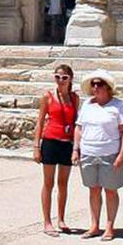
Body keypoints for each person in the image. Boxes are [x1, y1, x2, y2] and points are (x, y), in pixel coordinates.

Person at [74, 73, 123, 240]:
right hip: (89, 152)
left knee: (110, 191)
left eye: (99, 84)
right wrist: (75, 149)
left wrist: (122, 154)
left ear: (108, 87)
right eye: (93, 84)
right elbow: (79, 128)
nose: (95, 87)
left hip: (110, 153)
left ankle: (109, 226)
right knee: (93, 190)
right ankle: (94, 225)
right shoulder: (87, 105)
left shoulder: (118, 105)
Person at [35, 63, 79, 235]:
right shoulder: (47, 97)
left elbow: (76, 123)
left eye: (64, 78)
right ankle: (47, 221)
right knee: (48, 182)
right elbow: (39, 122)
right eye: (57, 77)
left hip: (66, 142)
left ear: (70, 79)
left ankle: (61, 218)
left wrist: (77, 147)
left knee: (63, 183)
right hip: (50, 141)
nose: (60, 81)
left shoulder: (75, 98)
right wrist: (36, 146)